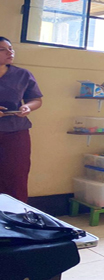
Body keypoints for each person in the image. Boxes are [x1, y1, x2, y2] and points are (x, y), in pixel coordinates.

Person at [0, 37, 43, 203]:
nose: (9, 52)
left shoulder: (22, 75)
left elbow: (36, 99)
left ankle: (15, 217)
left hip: (16, 132)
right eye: (3, 49)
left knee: (16, 175)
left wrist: (28, 107)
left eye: (10, 48)